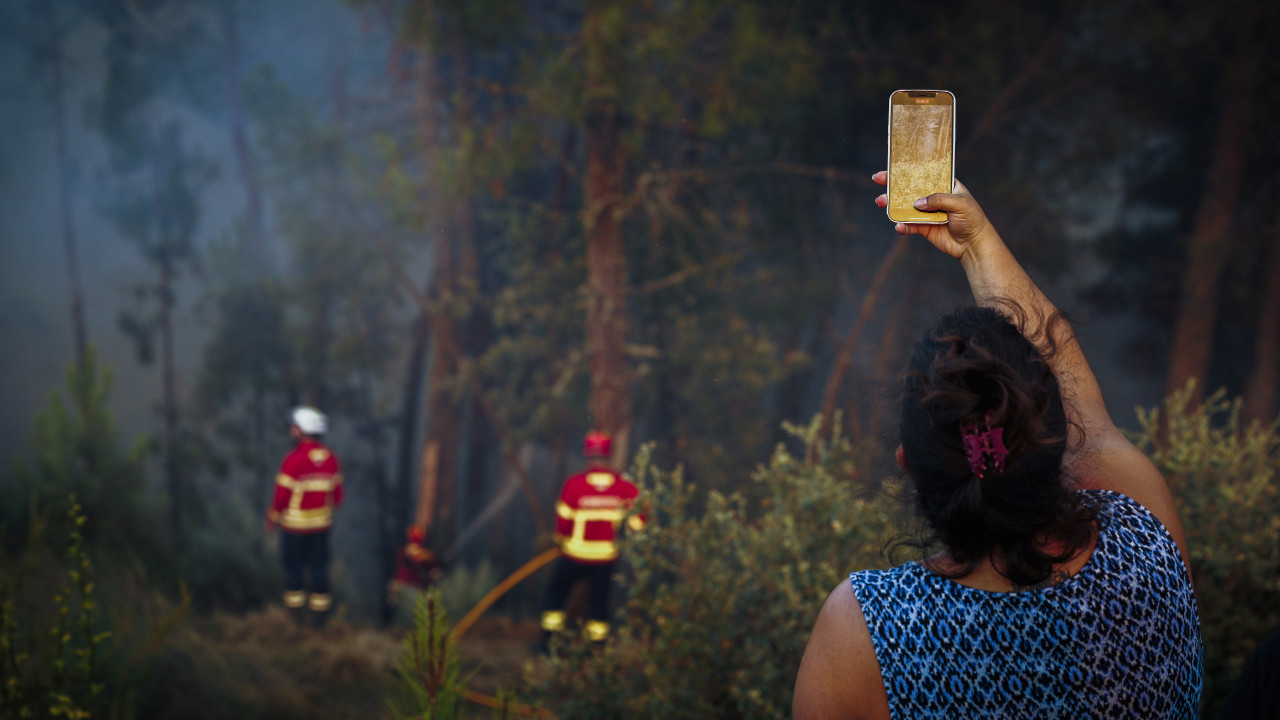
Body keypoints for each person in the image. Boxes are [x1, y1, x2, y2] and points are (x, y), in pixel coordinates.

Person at [792, 173, 1203, 718]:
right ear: (1059, 437)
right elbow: (1088, 416)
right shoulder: (1142, 540)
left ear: (908, 467)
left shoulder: (867, 629)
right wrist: (979, 242)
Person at [539, 431, 644, 649]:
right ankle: (596, 652)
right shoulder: (623, 486)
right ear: (610, 455)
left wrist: (559, 538)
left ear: (587, 455)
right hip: (605, 559)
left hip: (574, 555)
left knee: (555, 596)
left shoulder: (575, 484)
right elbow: (640, 518)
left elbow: (563, 522)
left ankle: (549, 644)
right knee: (599, 604)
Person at [266, 405, 344, 628]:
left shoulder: (293, 460)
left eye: (295, 427)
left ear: (302, 430)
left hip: (294, 528)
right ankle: (320, 622)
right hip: (321, 528)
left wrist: (272, 517)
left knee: (294, 570)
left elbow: (281, 496)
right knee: (320, 569)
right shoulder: (331, 459)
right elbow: (338, 497)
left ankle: (295, 620)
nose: (292, 430)